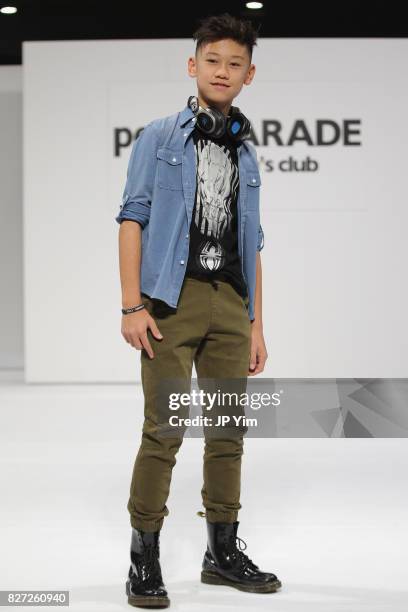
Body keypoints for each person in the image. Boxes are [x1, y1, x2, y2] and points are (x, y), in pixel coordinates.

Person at [115, 13, 282, 608]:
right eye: (212, 60)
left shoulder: (247, 151)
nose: (222, 71)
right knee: (164, 430)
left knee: (229, 434)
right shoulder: (160, 136)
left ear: (249, 75)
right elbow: (132, 216)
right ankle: (144, 558)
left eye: (234, 63)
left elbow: (251, 241)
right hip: (170, 302)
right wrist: (132, 303)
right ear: (194, 66)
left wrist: (256, 320)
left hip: (231, 307)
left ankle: (222, 552)